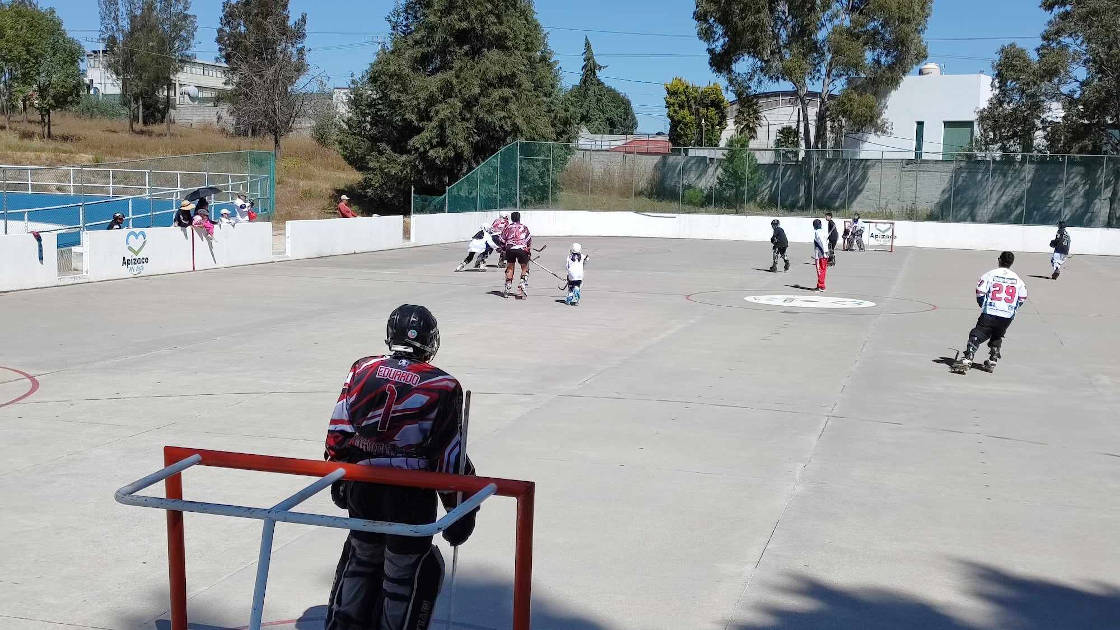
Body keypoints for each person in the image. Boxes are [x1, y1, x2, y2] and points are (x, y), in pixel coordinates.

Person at [324, 304, 477, 630]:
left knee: (362, 559)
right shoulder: (444, 385)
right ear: (430, 340)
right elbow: (448, 457)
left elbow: (338, 429)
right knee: (402, 575)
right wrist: (458, 510)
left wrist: (339, 474)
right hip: (410, 492)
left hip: (363, 483)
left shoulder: (362, 368)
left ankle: (343, 624)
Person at [953, 251, 1028, 373]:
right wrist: (1012, 309)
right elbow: (1023, 297)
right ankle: (993, 359)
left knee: (977, 333)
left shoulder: (990, 274)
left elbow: (980, 291)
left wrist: (983, 305)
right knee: (997, 334)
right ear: (1011, 263)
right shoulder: (1017, 279)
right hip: (1007, 315)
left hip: (991, 311)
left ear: (999, 260)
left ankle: (968, 357)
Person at [500, 211, 532, 298]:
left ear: (511, 218)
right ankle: (522, 284)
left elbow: (502, 240)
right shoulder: (524, 227)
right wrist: (528, 251)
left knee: (510, 267)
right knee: (525, 267)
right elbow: (528, 240)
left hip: (510, 249)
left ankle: (508, 287)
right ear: (519, 218)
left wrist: (503, 249)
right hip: (521, 249)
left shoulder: (507, 227)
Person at [812, 218, 829, 292]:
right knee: (823, 270)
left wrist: (824, 251)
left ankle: (821, 286)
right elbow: (826, 241)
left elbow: (821, 242)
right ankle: (820, 285)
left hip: (820, 255)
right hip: (824, 254)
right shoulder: (824, 232)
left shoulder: (817, 232)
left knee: (820, 270)